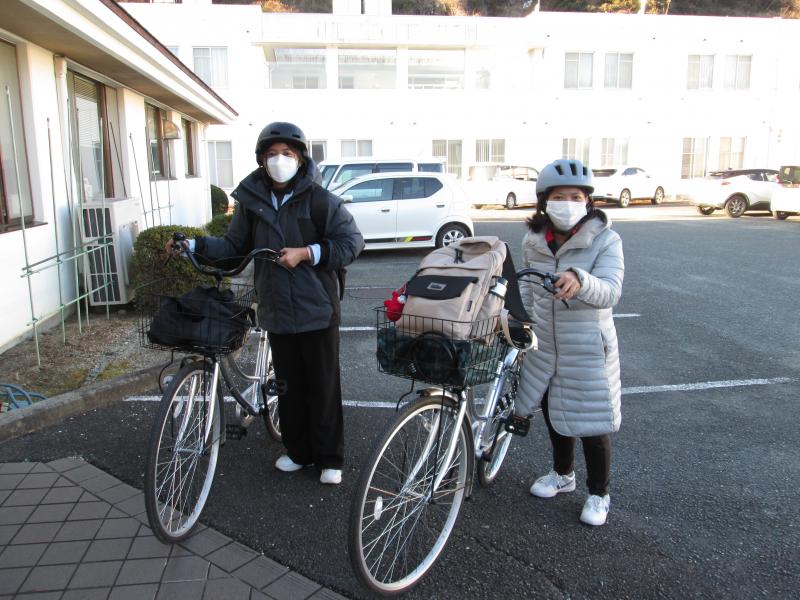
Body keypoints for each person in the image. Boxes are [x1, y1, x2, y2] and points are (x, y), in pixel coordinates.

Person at [167, 122, 364, 485]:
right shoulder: (252, 203)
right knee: (287, 386)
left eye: (287, 154)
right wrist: (195, 245)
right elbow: (232, 248)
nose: (279, 161)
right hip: (275, 310)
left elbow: (351, 243)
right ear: (261, 160)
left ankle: (329, 457)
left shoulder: (320, 200)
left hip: (317, 310)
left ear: (300, 159)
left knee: (322, 386)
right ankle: (299, 452)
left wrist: (307, 253)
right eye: (272, 154)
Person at [516, 158, 624, 526]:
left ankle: (599, 494)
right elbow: (530, 290)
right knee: (553, 411)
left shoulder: (606, 239)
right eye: (559, 196)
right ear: (544, 201)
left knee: (592, 423)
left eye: (576, 196)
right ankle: (563, 475)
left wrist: (580, 278)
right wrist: (522, 325)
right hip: (545, 344)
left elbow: (611, 291)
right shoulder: (533, 241)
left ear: (588, 201)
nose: (568, 202)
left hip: (587, 347)